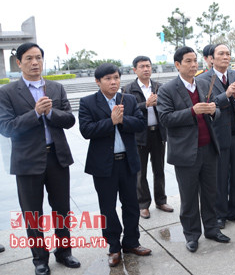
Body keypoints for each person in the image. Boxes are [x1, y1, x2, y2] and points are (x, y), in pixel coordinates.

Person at [0, 42, 80, 275]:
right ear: (19, 63)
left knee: (62, 210)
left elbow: (69, 120)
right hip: (27, 162)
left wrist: (51, 112)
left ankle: (64, 252)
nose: (35, 63)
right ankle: (40, 259)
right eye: (29, 59)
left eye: (38, 58)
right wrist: (35, 113)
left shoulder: (55, 88)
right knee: (33, 214)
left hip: (57, 158)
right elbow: (6, 128)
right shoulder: (7, 93)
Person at [157, 46, 230, 253]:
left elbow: (216, 112)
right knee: (188, 197)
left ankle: (212, 229)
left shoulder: (205, 83)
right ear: (178, 65)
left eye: (195, 61)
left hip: (208, 148)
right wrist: (192, 111)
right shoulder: (167, 89)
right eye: (188, 61)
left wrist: (213, 111)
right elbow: (165, 119)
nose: (193, 65)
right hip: (185, 152)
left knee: (210, 193)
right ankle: (191, 235)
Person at [79, 63, 151, 267]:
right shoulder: (88, 103)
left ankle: (131, 242)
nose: (114, 82)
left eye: (116, 78)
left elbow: (139, 123)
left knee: (131, 205)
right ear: (98, 81)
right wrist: (110, 121)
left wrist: (121, 121)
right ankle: (113, 246)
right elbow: (86, 130)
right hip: (103, 166)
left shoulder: (127, 99)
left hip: (127, 162)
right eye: (108, 79)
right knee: (107, 208)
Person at [198, 44, 235, 229]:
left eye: (228, 53)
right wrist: (226, 95)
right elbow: (207, 105)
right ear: (211, 58)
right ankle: (219, 214)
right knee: (219, 178)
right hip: (218, 135)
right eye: (221, 54)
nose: (226, 57)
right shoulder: (203, 79)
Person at [123, 56, 173, 219]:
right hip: (139, 136)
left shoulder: (160, 87)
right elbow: (126, 111)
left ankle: (161, 200)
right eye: (142, 66)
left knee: (159, 169)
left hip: (158, 133)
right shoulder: (128, 89)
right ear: (135, 70)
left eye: (148, 66)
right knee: (140, 172)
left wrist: (159, 103)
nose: (146, 69)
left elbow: (168, 107)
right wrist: (145, 104)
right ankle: (143, 204)